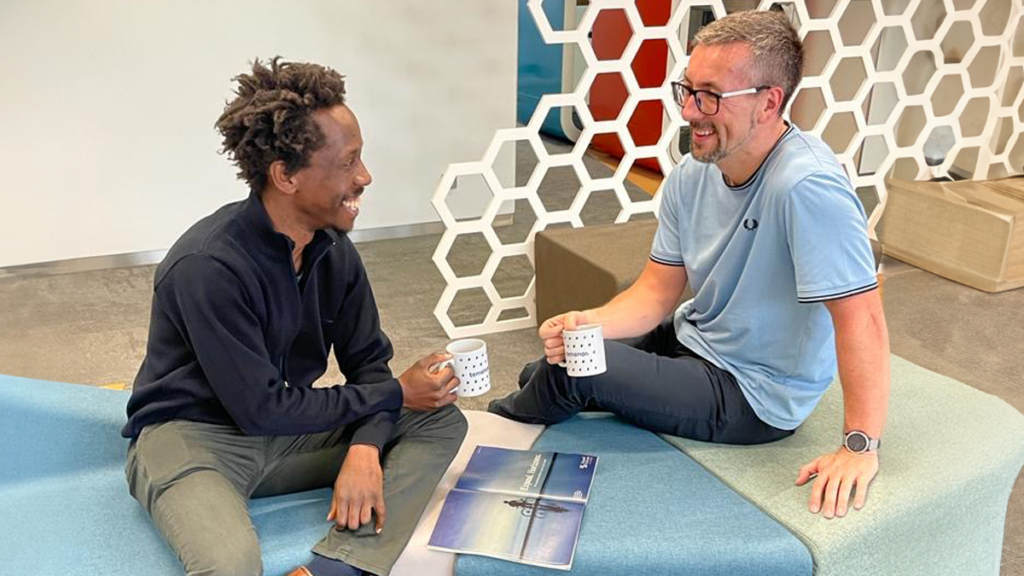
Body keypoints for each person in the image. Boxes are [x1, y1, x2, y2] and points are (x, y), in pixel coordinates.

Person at [489, 10, 890, 520]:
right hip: (695, 339)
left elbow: (863, 319)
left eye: (711, 96)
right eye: (688, 90)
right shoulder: (693, 174)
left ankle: (478, 436)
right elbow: (656, 292)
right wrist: (586, 323)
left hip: (752, 393)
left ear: (769, 102)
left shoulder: (807, 187)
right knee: (552, 359)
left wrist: (859, 447)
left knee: (573, 373)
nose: (691, 111)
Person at [123, 57, 467, 576]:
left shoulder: (333, 250)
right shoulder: (207, 267)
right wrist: (394, 395)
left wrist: (366, 447)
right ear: (285, 176)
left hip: (281, 434)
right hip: (193, 437)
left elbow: (370, 366)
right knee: (230, 567)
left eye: (362, 158)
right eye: (348, 163)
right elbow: (262, 407)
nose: (365, 177)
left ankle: (337, 569)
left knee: (438, 416)